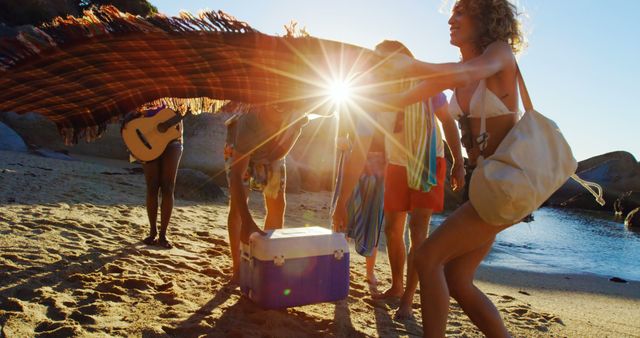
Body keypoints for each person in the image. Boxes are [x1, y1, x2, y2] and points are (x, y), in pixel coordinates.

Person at [364, 0, 526, 335]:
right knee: (457, 279)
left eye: (462, 11)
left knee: (427, 257)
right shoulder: (457, 70)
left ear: (485, 17)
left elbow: (462, 74)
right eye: (452, 12)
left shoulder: (499, 55)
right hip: (486, 187)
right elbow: (397, 99)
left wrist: (406, 64)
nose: (452, 18)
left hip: (508, 184)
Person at [333, 41, 465, 320]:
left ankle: (408, 300)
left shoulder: (428, 87)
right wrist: (342, 202)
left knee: (418, 232)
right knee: (393, 229)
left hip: (430, 163)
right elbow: (359, 151)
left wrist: (459, 164)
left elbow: (449, 123)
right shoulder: (375, 98)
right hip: (396, 165)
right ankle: (396, 285)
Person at [226, 103, 308, 283]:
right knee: (238, 209)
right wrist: (248, 221)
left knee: (277, 205)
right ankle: (238, 269)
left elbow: (280, 152)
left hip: (273, 151)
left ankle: (270, 262)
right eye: (275, 104)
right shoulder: (250, 119)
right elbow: (236, 177)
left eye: (284, 103)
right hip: (242, 149)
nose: (280, 106)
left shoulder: (297, 113)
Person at [122, 105, 183, 249]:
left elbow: (187, 108)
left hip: (172, 140)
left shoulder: (177, 94)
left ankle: (163, 235)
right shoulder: (147, 88)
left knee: (168, 187)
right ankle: (152, 231)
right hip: (145, 136)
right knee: (152, 186)